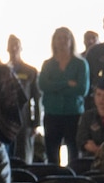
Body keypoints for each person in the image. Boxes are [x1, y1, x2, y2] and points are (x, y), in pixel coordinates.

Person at [36, 27, 90, 170]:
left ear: (71, 41)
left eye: (65, 37)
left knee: (74, 151)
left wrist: (54, 87)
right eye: (58, 38)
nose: (62, 41)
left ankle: (75, 182)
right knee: (52, 153)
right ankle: (54, 181)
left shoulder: (80, 63)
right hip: (52, 114)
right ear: (54, 41)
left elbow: (82, 89)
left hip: (73, 113)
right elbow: (43, 85)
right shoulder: (48, 64)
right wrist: (66, 83)